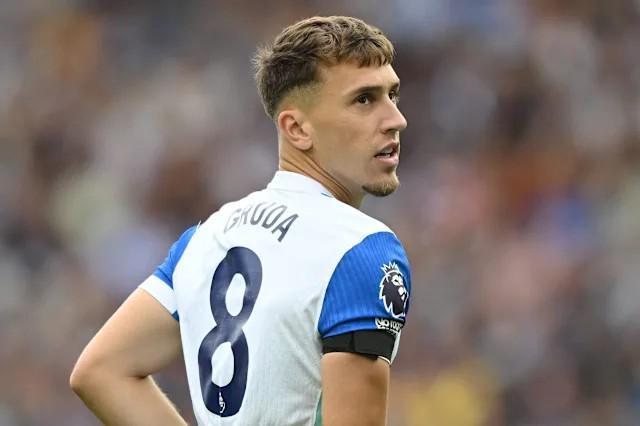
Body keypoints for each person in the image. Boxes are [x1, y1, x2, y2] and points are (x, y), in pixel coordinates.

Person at [70, 15, 411, 426]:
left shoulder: (205, 238)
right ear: (297, 129)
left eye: (392, 95)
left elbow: (101, 371)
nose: (395, 119)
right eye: (364, 100)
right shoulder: (362, 249)